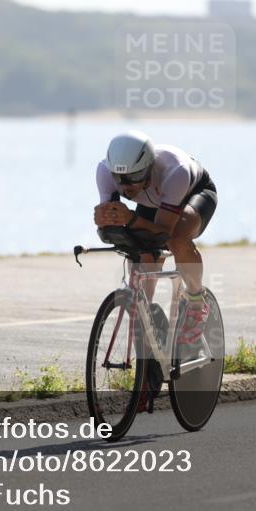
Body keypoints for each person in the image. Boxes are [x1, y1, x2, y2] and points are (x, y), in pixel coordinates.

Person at [94, 130, 217, 359]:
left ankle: (196, 304)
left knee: (176, 239)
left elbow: (163, 232)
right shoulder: (104, 172)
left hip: (192, 192)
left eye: (134, 176)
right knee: (143, 252)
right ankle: (147, 330)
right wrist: (103, 221)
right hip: (153, 200)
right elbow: (112, 227)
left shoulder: (176, 171)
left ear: (149, 168)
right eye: (119, 178)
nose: (126, 186)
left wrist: (131, 219)